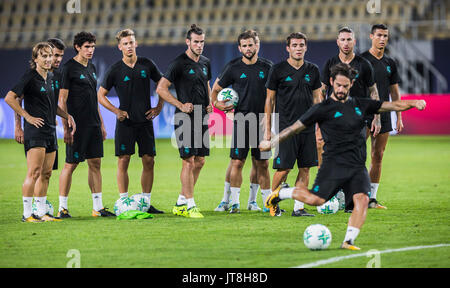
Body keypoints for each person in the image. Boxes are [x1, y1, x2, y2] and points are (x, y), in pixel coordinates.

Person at [260, 63, 426, 250]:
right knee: (316, 200)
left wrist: (413, 103)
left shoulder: (360, 104)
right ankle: (281, 193)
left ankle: (348, 241)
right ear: (331, 82)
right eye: (338, 85)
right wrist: (272, 142)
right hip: (333, 165)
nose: (341, 89)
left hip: (357, 166)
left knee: (362, 199)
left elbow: (390, 105)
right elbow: (294, 128)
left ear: (351, 84)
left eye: (345, 86)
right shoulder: (322, 109)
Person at [5, 42, 76, 222]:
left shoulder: (52, 77)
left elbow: (53, 106)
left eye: (50, 55)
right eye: (43, 56)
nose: (48, 59)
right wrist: (26, 117)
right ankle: (27, 214)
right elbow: (10, 98)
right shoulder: (29, 77)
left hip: (50, 131)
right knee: (34, 172)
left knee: (46, 174)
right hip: (35, 131)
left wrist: (67, 116)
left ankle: (41, 211)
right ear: (35, 59)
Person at [98, 29, 164, 214]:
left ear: (136, 44)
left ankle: (146, 202)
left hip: (145, 121)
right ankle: (124, 202)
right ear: (120, 47)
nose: (129, 46)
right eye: (125, 43)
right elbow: (100, 95)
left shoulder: (147, 64)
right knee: (123, 160)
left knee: (149, 160)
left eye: (131, 42)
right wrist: (116, 111)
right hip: (125, 122)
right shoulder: (115, 70)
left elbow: (162, 84)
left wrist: (159, 106)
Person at [211, 30, 272, 213]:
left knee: (261, 163)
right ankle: (232, 202)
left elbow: (273, 96)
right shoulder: (233, 67)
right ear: (239, 48)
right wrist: (217, 105)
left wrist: (270, 122)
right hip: (241, 120)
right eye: (244, 46)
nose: (248, 48)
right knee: (237, 162)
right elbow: (215, 91)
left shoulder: (268, 67)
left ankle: (259, 202)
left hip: (261, 121)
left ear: (257, 45)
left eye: (251, 45)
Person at [156, 24, 213, 218]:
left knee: (200, 160)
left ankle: (181, 200)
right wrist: (180, 105)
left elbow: (207, 83)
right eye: (196, 42)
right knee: (188, 161)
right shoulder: (178, 63)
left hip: (202, 116)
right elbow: (161, 89)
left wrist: (210, 102)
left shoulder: (205, 62)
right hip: (184, 118)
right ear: (187, 42)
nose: (199, 45)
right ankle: (190, 204)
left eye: (202, 42)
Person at [264, 32, 322, 217]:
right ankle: (272, 202)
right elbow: (269, 100)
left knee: (305, 168)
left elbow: (317, 99)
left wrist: (321, 125)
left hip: (307, 128)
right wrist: (268, 130)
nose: (298, 48)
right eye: (295, 45)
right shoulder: (278, 69)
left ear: (306, 47)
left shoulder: (313, 70)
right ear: (288, 48)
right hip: (286, 129)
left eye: (301, 45)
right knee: (284, 169)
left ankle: (299, 207)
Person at [58, 31, 114, 217]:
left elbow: (94, 98)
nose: (91, 50)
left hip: (93, 124)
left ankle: (97, 207)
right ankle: (62, 208)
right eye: (87, 47)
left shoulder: (91, 68)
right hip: (76, 126)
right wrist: (66, 127)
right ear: (77, 47)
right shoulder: (68, 69)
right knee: (70, 164)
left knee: (95, 163)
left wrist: (102, 124)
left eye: (93, 47)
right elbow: (62, 100)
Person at [319, 27, 381, 167]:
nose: (346, 43)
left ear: (354, 42)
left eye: (349, 39)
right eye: (343, 40)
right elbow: (322, 91)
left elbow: (374, 92)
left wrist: (377, 119)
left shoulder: (364, 64)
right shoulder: (330, 64)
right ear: (337, 42)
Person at [360, 24, 402, 209]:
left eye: (385, 35)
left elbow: (394, 92)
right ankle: (352, 194)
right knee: (356, 155)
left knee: (378, 155)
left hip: (384, 113)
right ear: (371, 36)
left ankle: (371, 198)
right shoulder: (361, 60)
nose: (383, 39)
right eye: (379, 35)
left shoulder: (390, 63)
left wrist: (399, 116)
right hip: (363, 114)